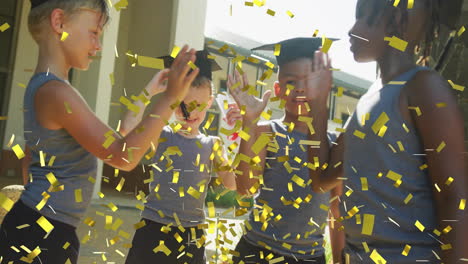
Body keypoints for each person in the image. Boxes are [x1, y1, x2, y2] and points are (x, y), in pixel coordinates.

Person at [0, 0, 198, 263]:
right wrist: (168, 99)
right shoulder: (57, 93)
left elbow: (29, 158)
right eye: (94, 33)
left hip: (37, 225)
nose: (98, 45)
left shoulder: (43, 87)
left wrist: (150, 93)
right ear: (59, 23)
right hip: (43, 233)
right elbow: (123, 155)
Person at [308, 0, 467, 263]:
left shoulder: (423, 88)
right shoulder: (366, 102)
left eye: (363, 18)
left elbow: (455, 199)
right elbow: (321, 179)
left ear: (398, 19)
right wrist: (318, 104)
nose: (351, 30)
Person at [230, 37, 344, 264]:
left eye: (309, 80)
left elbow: (337, 211)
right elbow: (245, 187)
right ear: (278, 89)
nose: (300, 88)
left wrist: (341, 259)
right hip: (257, 252)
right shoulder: (267, 133)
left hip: (308, 257)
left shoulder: (333, 145)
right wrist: (249, 121)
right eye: (291, 81)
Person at [122, 50, 238, 264]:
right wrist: (149, 91)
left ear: (210, 102)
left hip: (191, 236)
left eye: (198, 106)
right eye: (182, 105)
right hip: (154, 229)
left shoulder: (212, 144)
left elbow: (231, 184)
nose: (190, 114)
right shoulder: (161, 133)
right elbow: (126, 129)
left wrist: (238, 133)